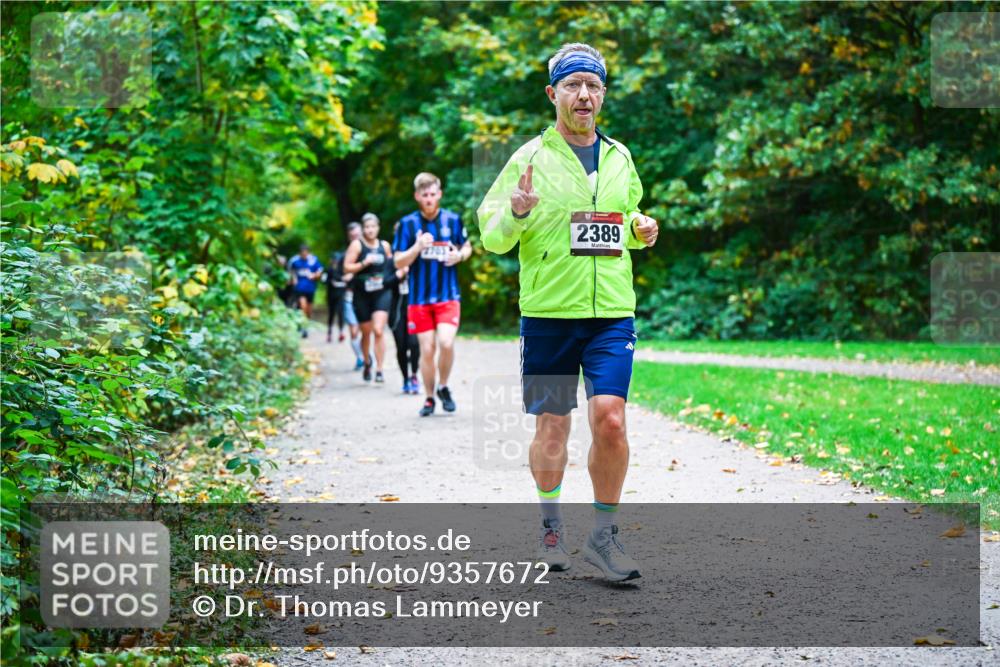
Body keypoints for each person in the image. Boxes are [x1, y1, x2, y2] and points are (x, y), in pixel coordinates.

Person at [476, 43, 658, 582]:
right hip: (551, 314)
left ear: (603, 95)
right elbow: (491, 237)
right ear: (554, 94)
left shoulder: (621, 156)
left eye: (594, 86)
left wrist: (641, 230)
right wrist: (514, 211)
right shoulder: (528, 158)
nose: (585, 95)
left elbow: (625, 219)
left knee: (611, 420)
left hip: (610, 315)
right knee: (553, 427)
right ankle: (551, 524)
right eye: (574, 85)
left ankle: (603, 536)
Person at [393, 173, 472, 416]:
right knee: (427, 350)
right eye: (424, 195)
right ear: (417, 196)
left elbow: (467, 247)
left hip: (448, 295)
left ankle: (444, 386)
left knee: (446, 342)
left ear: (439, 194)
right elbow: (397, 261)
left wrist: (458, 256)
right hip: (419, 298)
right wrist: (417, 247)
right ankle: (429, 398)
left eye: (432, 194)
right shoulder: (408, 224)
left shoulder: (453, 219)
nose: (429, 198)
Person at [343, 212, 393, 383]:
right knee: (366, 332)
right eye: (367, 227)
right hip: (362, 293)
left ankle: (379, 369)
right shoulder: (357, 246)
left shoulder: (384, 246)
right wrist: (364, 263)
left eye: (373, 227)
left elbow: (391, 265)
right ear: (363, 229)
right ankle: (367, 362)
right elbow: (346, 268)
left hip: (381, 292)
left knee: (378, 330)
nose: (370, 230)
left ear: (378, 228)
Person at [389, 221, 421, 394]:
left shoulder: (418, 257)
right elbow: (385, 282)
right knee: (401, 346)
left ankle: (414, 374)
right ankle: (405, 378)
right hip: (396, 311)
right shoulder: (392, 259)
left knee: (414, 344)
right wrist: (398, 275)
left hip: (415, 307)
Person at [342, 222, 365, 369]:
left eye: (357, 235)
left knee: (367, 330)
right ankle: (360, 357)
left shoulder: (370, 251)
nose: (355, 238)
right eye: (352, 236)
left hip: (366, 297)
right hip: (350, 297)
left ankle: (367, 354)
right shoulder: (344, 257)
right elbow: (339, 276)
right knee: (354, 330)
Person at [287, 244, 324, 338]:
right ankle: (302, 327)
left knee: (309, 309)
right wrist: (293, 279)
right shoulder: (294, 261)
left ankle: (305, 325)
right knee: (302, 306)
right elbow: (290, 271)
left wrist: (314, 276)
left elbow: (320, 271)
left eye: (306, 252)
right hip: (299, 288)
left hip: (310, 288)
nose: (304, 254)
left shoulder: (313, 260)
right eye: (302, 253)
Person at [326, 249, 348, 344]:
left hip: (341, 294)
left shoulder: (343, 269)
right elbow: (326, 281)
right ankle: (330, 332)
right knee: (331, 313)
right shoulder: (329, 270)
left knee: (341, 313)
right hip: (331, 295)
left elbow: (347, 281)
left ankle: (341, 332)